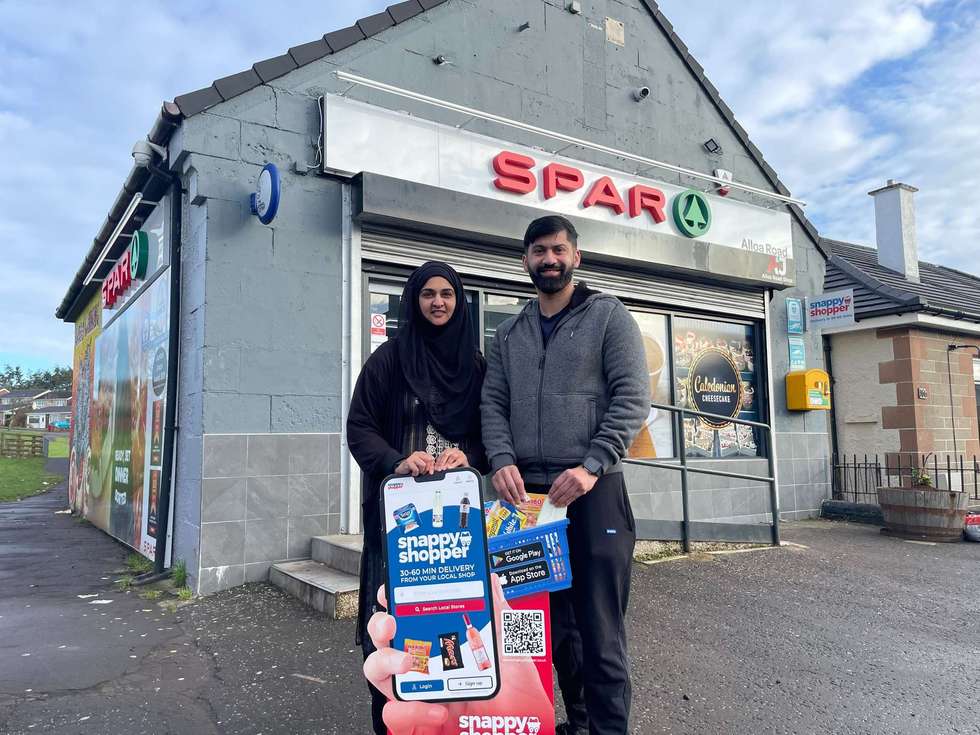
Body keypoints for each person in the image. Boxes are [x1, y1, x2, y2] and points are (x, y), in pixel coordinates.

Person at [481, 215, 648, 735]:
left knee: (599, 632)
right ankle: (554, 723)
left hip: (593, 493)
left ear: (577, 256)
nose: (548, 259)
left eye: (558, 250)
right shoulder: (509, 333)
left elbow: (632, 398)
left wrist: (593, 464)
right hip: (527, 502)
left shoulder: (609, 317)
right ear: (525, 260)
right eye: (538, 251)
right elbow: (493, 403)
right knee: (534, 628)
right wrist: (501, 460)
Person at [346, 261, 488, 735]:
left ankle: (447, 722)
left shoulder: (474, 365)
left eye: (447, 293)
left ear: (458, 300)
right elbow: (359, 426)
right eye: (427, 294)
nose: (438, 302)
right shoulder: (389, 359)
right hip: (398, 523)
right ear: (413, 300)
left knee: (455, 622)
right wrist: (394, 460)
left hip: (457, 527)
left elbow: (492, 436)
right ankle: (394, 723)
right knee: (389, 623)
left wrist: (467, 454)